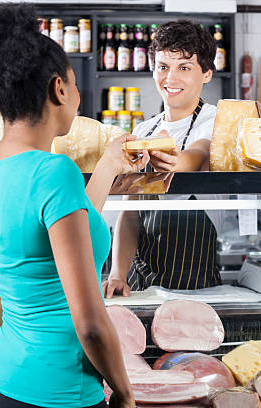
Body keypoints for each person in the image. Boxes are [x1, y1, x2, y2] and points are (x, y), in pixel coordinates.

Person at [0, 5, 148, 408]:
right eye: (75, 84)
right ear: (59, 89)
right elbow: (91, 325)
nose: (78, 96)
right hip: (56, 392)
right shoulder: (54, 171)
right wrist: (125, 391)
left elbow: (63, 235)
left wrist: (108, 167)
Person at [103, 20, 222, 296]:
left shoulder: (216, 120)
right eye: (163, 67)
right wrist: (118, 274)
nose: (170, 79)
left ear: (207, 73)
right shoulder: (145, 130)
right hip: (140, 283)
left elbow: (199, 154)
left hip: (195, 285)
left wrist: (173, 162)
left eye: (184, 68)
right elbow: (130, 214)